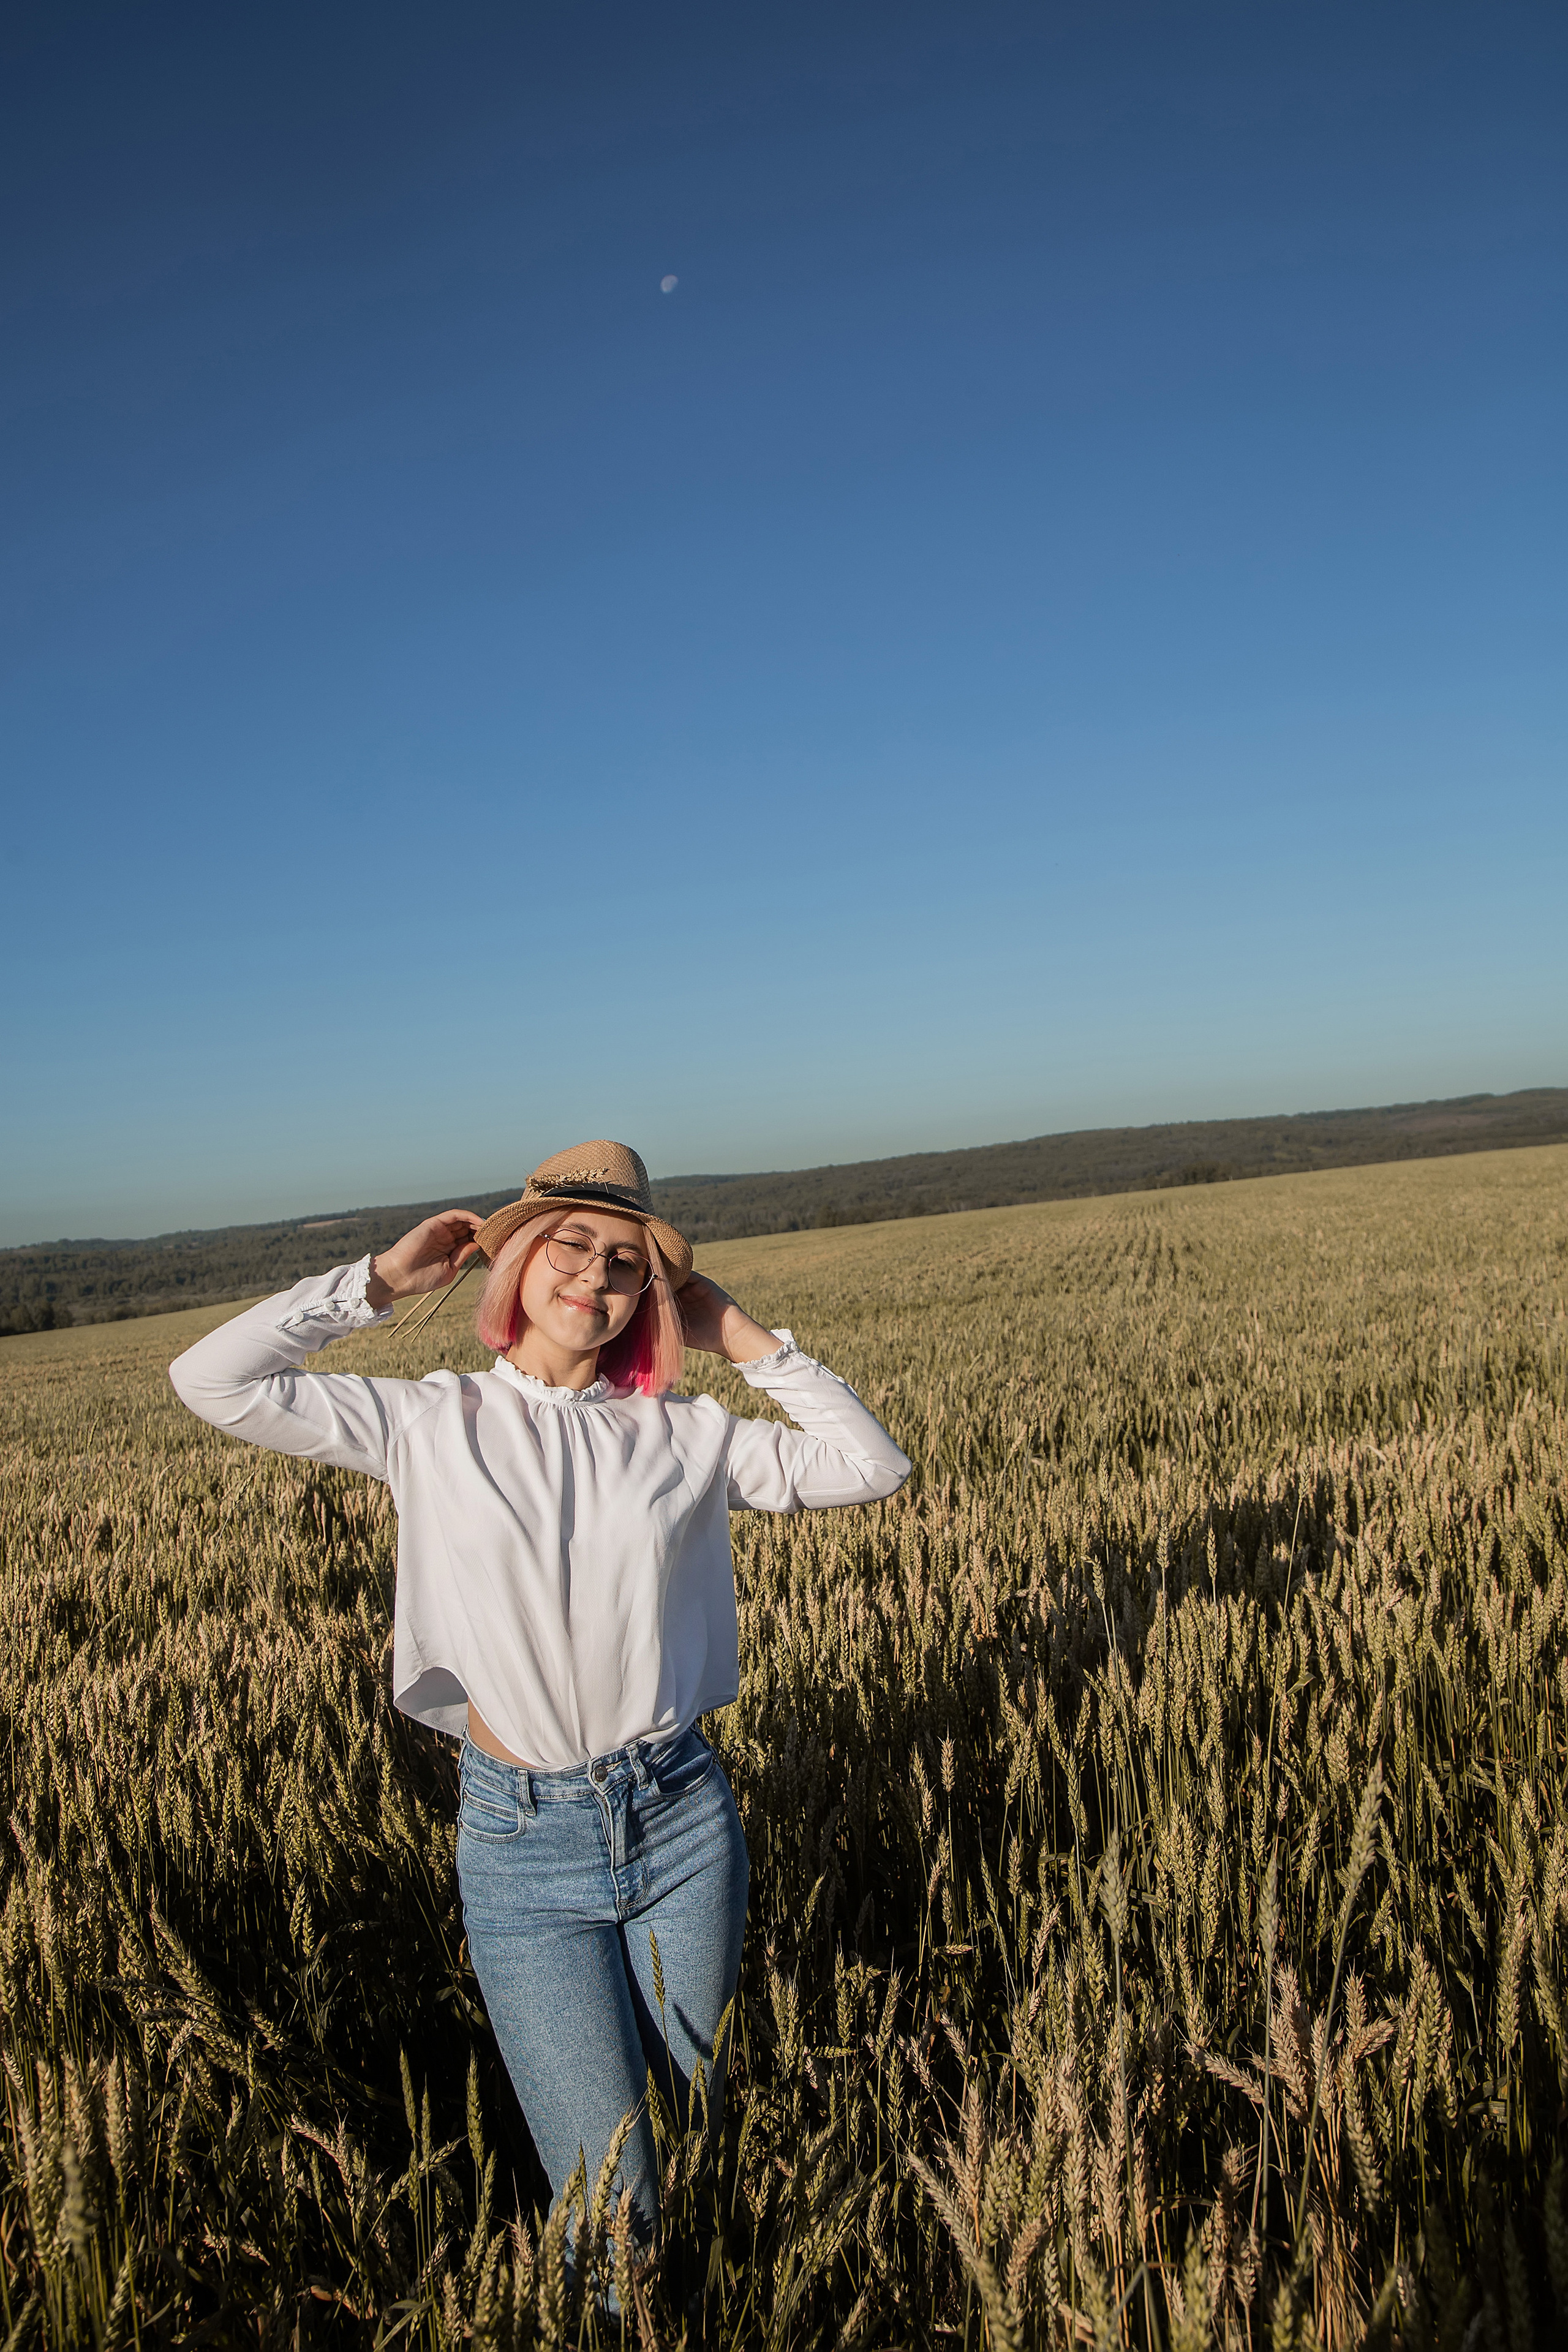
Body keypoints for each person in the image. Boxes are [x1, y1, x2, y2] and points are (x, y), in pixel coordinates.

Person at [167, 1139, 910, 2248]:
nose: (595, 1275)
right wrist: (378, 1281)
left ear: (646, 1296)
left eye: (625, 1263)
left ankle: (696, 2311)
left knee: (689, 2134)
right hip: (525, 1845)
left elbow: (873, 1467)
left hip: (681, 1816)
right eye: (571, 1244)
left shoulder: (687, 1435)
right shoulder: (431, 1422)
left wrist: (742, 1336)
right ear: (515, 1263)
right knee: (614, 2201)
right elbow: (210, 1380)